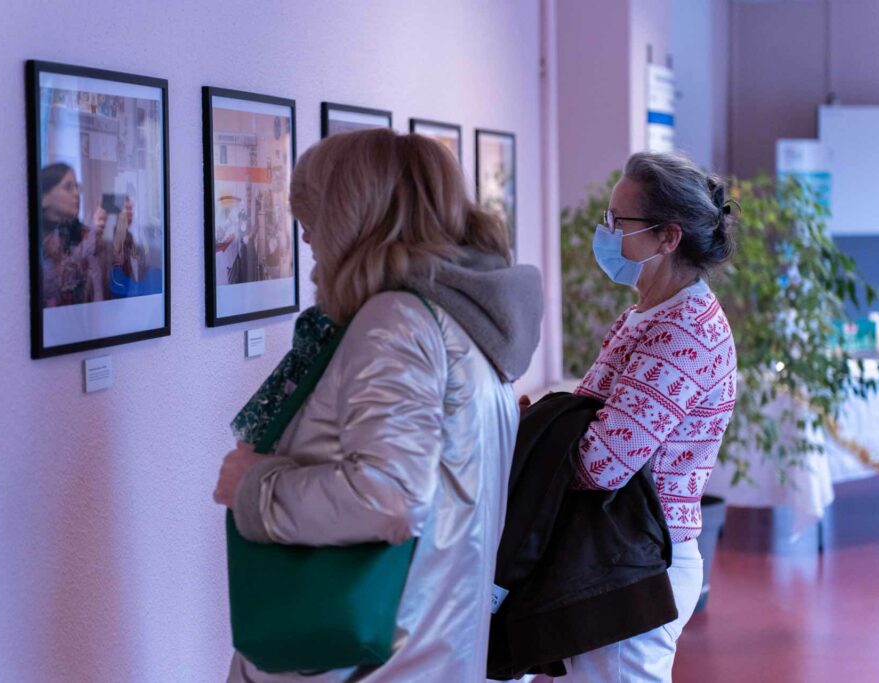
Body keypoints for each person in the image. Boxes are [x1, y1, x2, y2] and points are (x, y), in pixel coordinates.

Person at [212, 128, 544, 682]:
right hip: (429, 652)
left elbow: (388, 499)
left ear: (351, 218)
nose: (309, 243)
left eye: (314, 223)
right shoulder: (467, 330)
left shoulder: (397, 322)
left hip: (368, 664)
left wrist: (254, 488)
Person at [529, 151, 738, 682]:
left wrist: (532, 439)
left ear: (668, 237)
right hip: (616, 551)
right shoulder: (646, 312)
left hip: (638, 560)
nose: (606, 233)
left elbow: (602, 462)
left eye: (618, 223)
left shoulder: (684, 329)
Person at [38, 163, 109, 306]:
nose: (76, 193)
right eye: (68, 187)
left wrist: (121, 230)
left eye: (77, 187)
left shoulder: (83, 233)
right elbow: (53, 285)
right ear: (44, 198)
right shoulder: (36, 240)